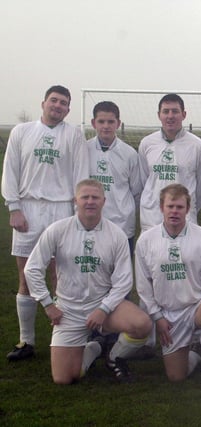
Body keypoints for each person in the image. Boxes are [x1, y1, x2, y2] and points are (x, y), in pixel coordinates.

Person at [24, 179, 152, 384]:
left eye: (95, 197)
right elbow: (32, 268)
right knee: (64, 378)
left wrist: (103, 309)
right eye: (85, 197)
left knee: (142, 324)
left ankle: (114, 357)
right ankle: (95, 348)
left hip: (104, 306)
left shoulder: (116, 235)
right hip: (68, 310)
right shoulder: (57, 230)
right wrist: (48, 304)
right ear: (76, 200)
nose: (90, 202)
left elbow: (123, 282)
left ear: (104, 201)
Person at [1, 85, 89, 361]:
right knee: (27, 274)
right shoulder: (22, 132)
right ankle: (26, 341)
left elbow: (81, 172)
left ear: (68, 109)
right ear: (43, 103)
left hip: (62, 208)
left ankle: (64, 337)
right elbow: (10, 171)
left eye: (64, 103)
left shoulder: (74, 134)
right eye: (54, 101)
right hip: (28, 208)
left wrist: (78, 211)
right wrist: (14, 207)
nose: (58, 106)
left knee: (61, 275)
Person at [135, 184, 201, 389]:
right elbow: (143, 287)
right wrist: (157, 317)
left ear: (188, 209)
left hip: (196, 306)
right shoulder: (146, 240)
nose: (174, 211)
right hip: (168, 314)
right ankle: (197, 351)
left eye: (179, 207)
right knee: (177, 376)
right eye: (170, 206)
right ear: (161, 207)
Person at [138, 93, 201, 231]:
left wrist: (189, 207)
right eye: (166, 111)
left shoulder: (198, 146)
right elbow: (144, 181)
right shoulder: (147, 144)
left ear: (184, 114)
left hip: (185, 220)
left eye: (175, 111)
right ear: (159, 115)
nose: (170, 116)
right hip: (151, 219)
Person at [87, 101, 143, 252]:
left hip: (122, 225)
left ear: (118, 123)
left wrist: (126, 212)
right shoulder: (83, 150)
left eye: (111, 121)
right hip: (90, 223)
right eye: (101, 121)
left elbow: (136, 191)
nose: (106, 126)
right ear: (93, 123)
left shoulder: (130, 153)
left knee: (121, 273)